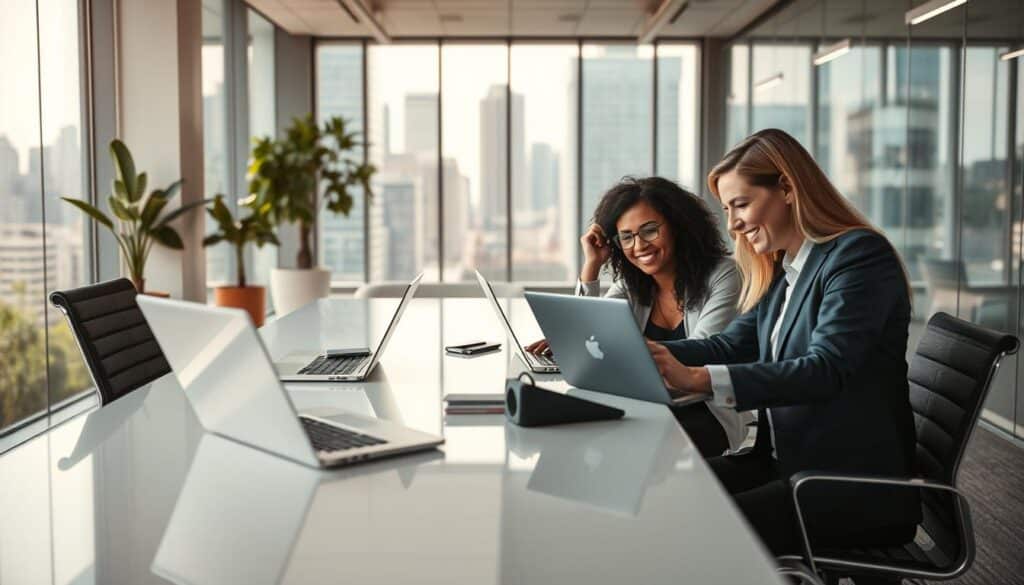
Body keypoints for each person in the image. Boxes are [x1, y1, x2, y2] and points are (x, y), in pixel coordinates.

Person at [646, 129, 920, 563]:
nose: (733, 223)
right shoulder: (788, 270)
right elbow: (729, 345)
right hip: (782, 463)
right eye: (727, 209)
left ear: (788, 189)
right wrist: (642, 350)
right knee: (662, 497)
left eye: (740, 204)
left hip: (846, 487)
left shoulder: (858, 257)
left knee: (690, 533)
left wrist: (697, 379)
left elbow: (824, 369)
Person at [527, 176, 749, 457]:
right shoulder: (632, 285)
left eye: (649, 230)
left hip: (706, 411)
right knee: (569, 434)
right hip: (642, 405)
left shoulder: (725, 274)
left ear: (679, 226)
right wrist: (592, 265)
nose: (639, 245)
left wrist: (619, 349)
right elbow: (590, 334)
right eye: (627, 236)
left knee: (610, 447)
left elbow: (705, 350)